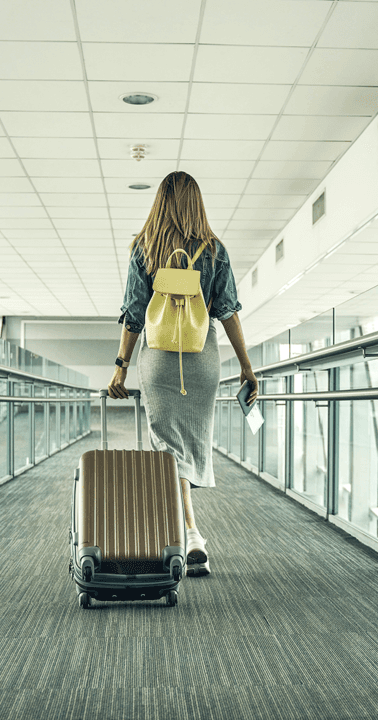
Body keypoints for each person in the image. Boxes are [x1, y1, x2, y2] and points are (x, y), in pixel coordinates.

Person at [108, 171, 258, 577]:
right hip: (201, 358)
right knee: (187, 446)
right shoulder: (215, 251)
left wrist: (120, 368)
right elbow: (228, 312)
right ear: (197, 202)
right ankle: (189, 529)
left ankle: (191, 531)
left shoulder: (145, 249)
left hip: (158, 358)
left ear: (159, 202)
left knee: (168, 448)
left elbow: (134, 315)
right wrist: (246, 366)